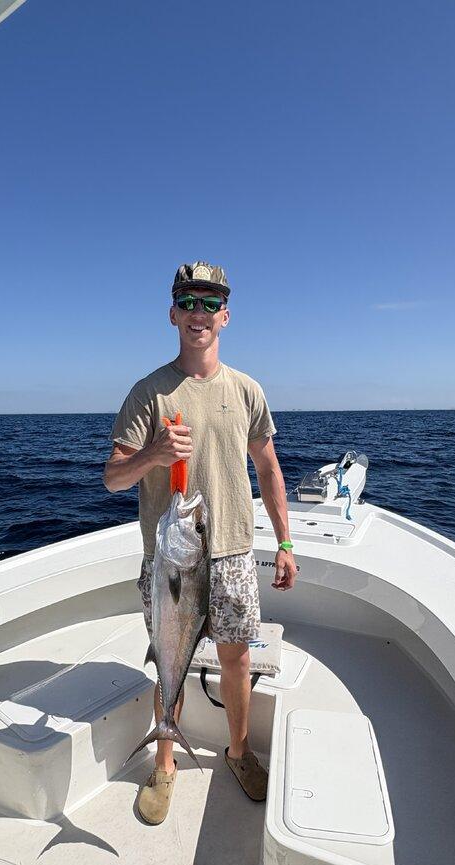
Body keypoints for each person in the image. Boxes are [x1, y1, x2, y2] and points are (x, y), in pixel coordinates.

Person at [104, 261, 297, 824]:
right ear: (172, 314)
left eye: (210, 304)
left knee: (237, 660)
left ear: (226, 316)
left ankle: (237, 751)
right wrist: (153, 456)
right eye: (188, 302)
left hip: (233, 549)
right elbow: (113, 477)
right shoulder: (149, 392)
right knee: (170, 662)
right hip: (170, 556)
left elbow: (268, 468)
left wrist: (284, 542)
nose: (199, 314)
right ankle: (164, 761)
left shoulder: (247, 390)